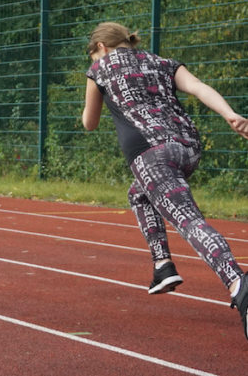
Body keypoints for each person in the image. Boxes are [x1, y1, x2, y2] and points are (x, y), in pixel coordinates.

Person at [82, 22, 248, 341]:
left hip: (151, 155)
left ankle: (238, 285)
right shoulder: (160, 61)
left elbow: (90, 123)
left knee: (190, 222)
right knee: (139, 194)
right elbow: (198, 87)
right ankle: (163, 266)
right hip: (187, 148)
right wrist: (230, 115)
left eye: (93, 54)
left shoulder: (99, 68)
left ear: (101, 46)